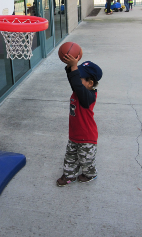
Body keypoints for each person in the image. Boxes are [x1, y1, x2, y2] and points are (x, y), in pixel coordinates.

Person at [56, 55, 103, 186]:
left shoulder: (88, 97)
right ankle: (69, 175)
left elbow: (76, 83)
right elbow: (74, 81)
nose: (76, 77)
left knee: (86, 161)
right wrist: (69, 67)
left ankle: (90, 174)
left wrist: (74, 67)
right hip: (74, 135)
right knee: (70, 158)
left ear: (90, 83)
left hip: (87, 138)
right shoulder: (78, 91)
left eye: (80, 76)